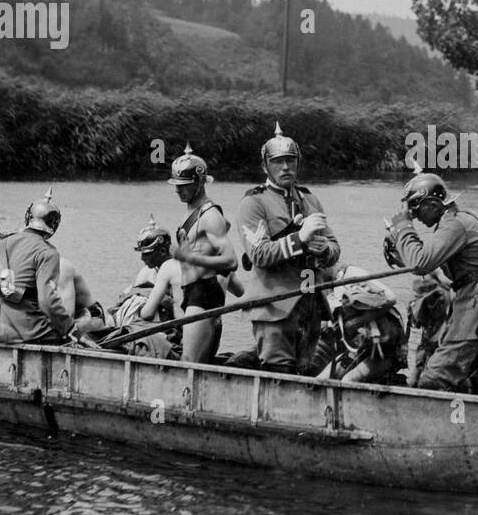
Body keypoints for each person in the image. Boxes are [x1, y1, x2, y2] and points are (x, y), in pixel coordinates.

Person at [384, 172, 478, 397]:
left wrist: (403, 227)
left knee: (434, 380)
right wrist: (404, 244)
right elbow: (439, 269)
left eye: (416, 209)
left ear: (432, 204)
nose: (415, 216)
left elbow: (420, 263)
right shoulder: (462, 218)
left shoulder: (454, 225)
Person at [237, 125, 339, 374]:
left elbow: (335, 248)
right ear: (265, 166)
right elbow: (259, 255)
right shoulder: (254, 203)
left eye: (291, 161)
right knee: (278, 377)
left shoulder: (310, 199)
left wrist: (323, 249)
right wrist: (300, 239)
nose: (286, 167)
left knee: (306, 374)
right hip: (275, 308)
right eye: (278, 162)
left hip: (311, 305)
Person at [0, 188, 74, 344]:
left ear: (28, 218)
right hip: (27, 330)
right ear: (54, 225)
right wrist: (71, 329)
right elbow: (47, 301)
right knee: (69, 336)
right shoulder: (48, 253)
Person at [168, 144, 239, 363]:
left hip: (204, 294)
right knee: (195, 362)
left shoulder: (210, 216)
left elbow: (230, 261)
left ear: (199, 182)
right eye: (176, 185)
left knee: (189, 362)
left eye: (185, 185)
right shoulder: (191, 212)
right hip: (192, 292)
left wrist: (190, 257)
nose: (178, 190)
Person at [309, 266, 407, 384]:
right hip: (358, 349)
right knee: (320, 380)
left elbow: (390, 297)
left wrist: (357, 322)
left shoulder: (351, 274)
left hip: (383, 353)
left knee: (348, 380)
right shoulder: (329, 287)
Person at [106, 216, 183, 359]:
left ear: (161, 252)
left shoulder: (169, 268)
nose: (142, 258)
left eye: (147, 254)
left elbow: (147, 313)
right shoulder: (147, 273)